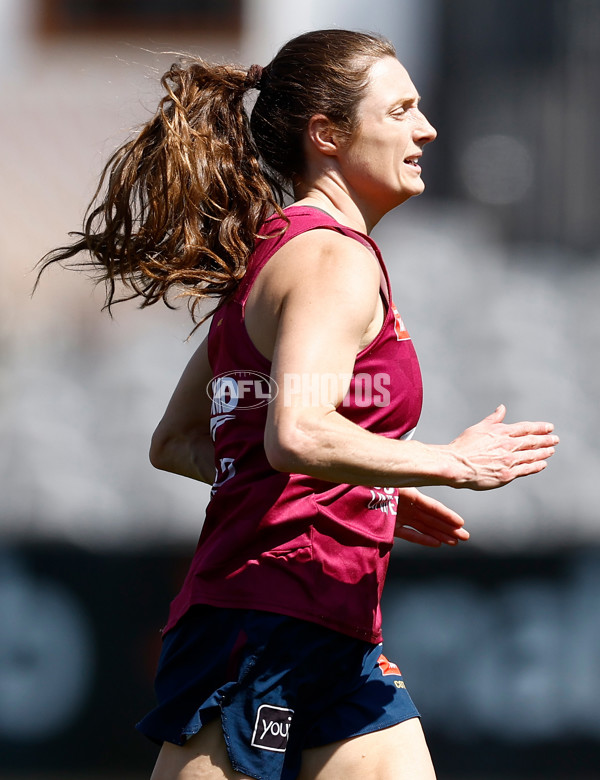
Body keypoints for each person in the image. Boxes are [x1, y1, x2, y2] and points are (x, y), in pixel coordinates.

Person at [37, 29, 558, 780]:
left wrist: (354, 479)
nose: (426, 128)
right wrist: (445, 463)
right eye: (401, 110)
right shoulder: (328, 261)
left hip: (337, 628)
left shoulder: (284, 250)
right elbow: (297, 431)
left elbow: (179, 438)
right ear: (327, 135)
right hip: (261, 621)